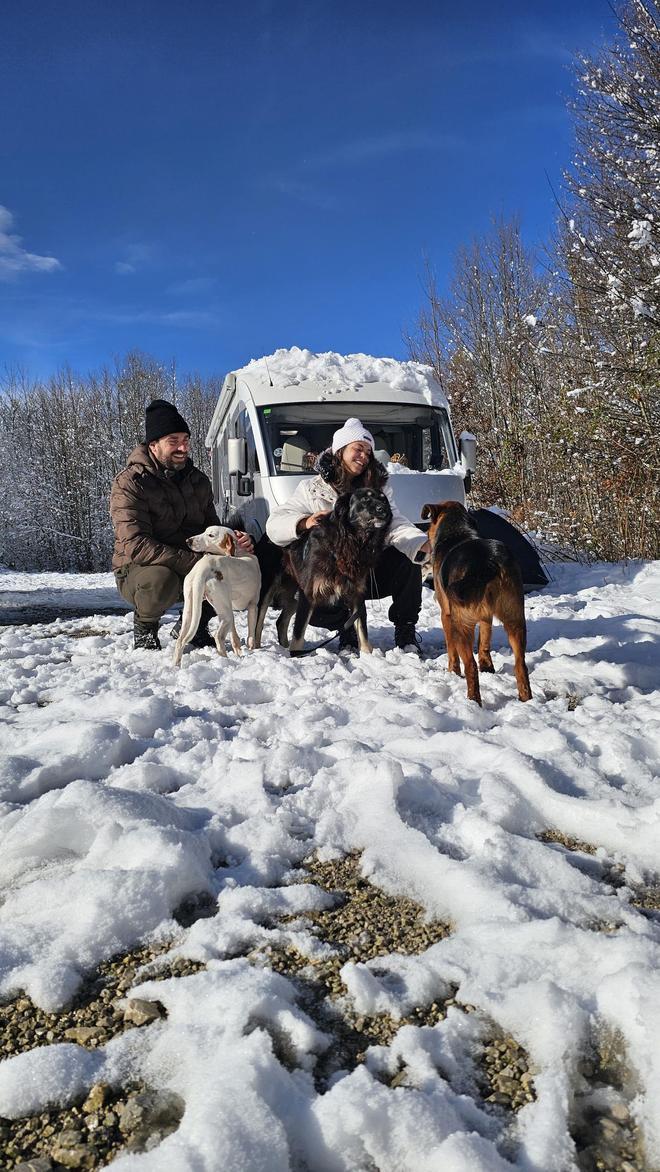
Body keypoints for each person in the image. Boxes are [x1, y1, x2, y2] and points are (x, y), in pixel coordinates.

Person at [265, 417, 431, 653]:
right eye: (358, 449)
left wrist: (418, 542)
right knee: (315, 603)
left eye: (368, 451)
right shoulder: (312, 489)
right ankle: (347, 627)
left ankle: (405, 627)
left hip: (368, 570)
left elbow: (394, 523)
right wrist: (304, 522)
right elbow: (274, 524)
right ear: (340, 450)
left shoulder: (378, 489)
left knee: (408, 559)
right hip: (330, 574)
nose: (363, 456)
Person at [110, 398, 253, 650]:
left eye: (185, 440)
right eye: (173, 442)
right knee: (161, 579)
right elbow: (136, 545)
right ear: (153, 445)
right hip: (139, 568)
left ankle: (193, 626)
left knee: (227, 568)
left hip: (188, 560)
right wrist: (197, 562)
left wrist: (235, 541)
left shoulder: (197, 480)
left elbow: (212, 531)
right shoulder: (129, 483)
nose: (182, 448)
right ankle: (145, 627)